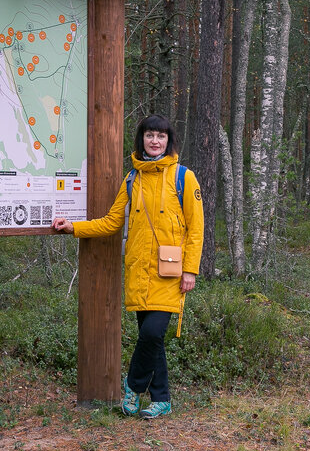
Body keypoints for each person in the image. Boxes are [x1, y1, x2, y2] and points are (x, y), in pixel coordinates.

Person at [52, 114, 203, 419]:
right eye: (150, 135)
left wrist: (191, 270)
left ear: (168, 141)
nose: (155, 141)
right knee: (153, 339)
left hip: (169, 272)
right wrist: (74, 227)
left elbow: (196, 228)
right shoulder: (132, 179)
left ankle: (133, 388)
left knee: (152, 333)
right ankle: (162, 400)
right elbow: (111, 222)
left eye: (161, 136)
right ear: (141, 139)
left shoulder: (183, 177)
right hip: (138, 271)